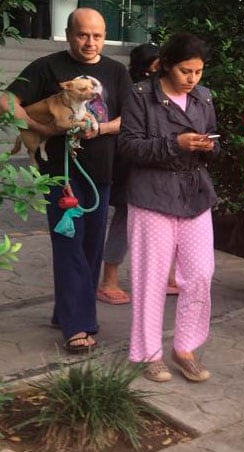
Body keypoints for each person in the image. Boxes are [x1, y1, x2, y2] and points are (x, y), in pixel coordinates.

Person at [0, 7, 131, 353]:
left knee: (91, 248)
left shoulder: (116, 71)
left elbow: (128, 117)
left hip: (101, 173)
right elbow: (7, 99)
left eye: (98, 36)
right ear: (69, 33)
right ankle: (79, 326)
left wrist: (98, 127)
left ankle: (66, 311)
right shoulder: (46, 67)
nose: (90, 42)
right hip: (61, 176)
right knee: (69, 246)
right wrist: (42, 128)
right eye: (83, 35)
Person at [118, 33, 219, 383]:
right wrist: (173, 143)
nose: (192, 79)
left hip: (194, 195)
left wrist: (208, 146)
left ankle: (185, 347)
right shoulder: (141, 95)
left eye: (198, 72)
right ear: (165, 66)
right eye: (185, 71)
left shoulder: (203, 97)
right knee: (151, 277)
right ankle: (149, 353)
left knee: (201, 274)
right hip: (152, 196)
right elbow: (129, 146)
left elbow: (214, 141)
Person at [96, 42, 162, 305]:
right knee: (124, 217)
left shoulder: (162, 88)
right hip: (128, 164)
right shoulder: (134, 90)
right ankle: (108, 280)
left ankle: (164, 277)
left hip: (154, 164)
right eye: (159, 63)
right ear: (149, 66)